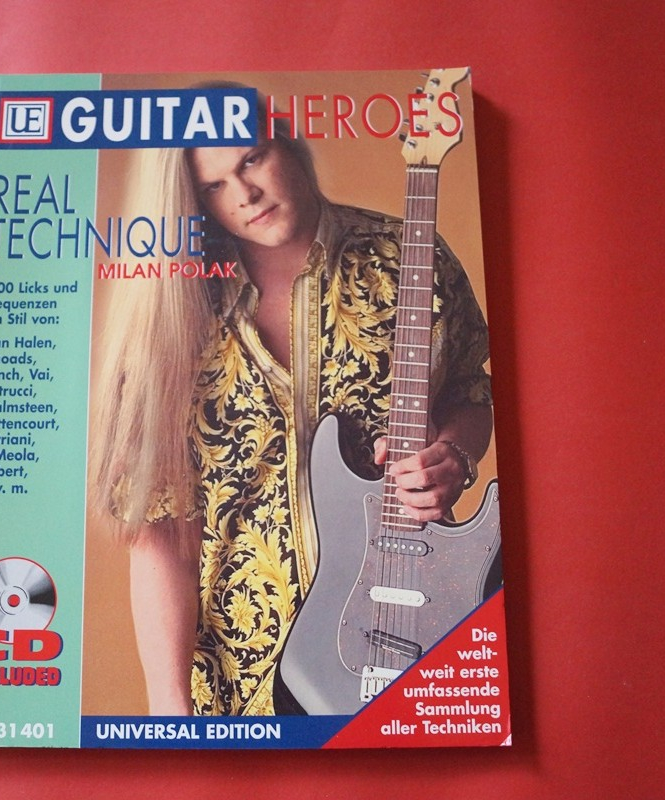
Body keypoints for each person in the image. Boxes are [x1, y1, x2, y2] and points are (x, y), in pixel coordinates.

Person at [89, 104, 492, 716]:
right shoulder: (170, 314)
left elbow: (470, 389)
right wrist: (169, 708)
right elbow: (162, 532)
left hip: (413, 627)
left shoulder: (408, 257)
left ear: (289, 144)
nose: (245, 194)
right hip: (242, 677)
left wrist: (454, 454)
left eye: (252, 159)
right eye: (214, 186)